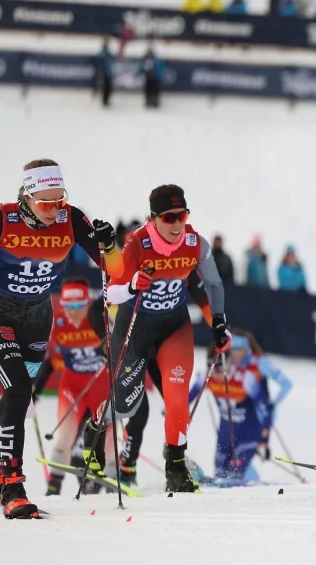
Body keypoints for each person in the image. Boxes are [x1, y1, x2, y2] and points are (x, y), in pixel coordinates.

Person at [0, 158, 118, 518]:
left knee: (20, 393)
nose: (54, 210)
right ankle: (12, 483)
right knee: (18, 390)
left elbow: (113, 270)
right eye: (46, 203)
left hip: (39, 317)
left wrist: (110, 245)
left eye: (60, 200)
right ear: (26, 197)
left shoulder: (71, 219)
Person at [81, 184, 228, 493]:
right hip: (135, 327)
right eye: (169, 218)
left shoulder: (194, 243)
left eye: (182, 216)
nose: (177, 224)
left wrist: (218, 321)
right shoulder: (137, 243)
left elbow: (212, 283)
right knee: (126, 405)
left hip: (174, 327)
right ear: (154, 218)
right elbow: (112, 293)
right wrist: (133, 285)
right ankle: (94, 428)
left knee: (177, 398)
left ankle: (175, 467)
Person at [116, 271, 216, 487]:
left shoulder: (182, 262)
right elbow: (105, 303)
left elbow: (202, 294)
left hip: (161, 349)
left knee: (177, 405)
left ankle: (174, 455)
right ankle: (127, 467)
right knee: (138, 410)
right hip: (134, 348)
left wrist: (216, 324)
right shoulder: (133, 259)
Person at [31, 277, 115, 496]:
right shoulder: (58, 323)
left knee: (110, 442)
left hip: (100, 387)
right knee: (64, 437)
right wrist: (36, 389)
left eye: (77, 306)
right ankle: (53, 488)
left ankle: (112, 484)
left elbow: (122, 352)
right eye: (68, 306)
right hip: (72, 387)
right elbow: (50, 360)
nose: (72, 312)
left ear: (87, 303)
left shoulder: (100, 321)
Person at [188, 329, 292, 483]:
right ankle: (248, 482)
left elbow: (284, 387)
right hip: (227, 429)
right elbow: (189, 396)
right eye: (231, 350)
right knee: (221, 473)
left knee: (233, 475)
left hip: (251, 425)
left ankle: (251, 485)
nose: (215, 374)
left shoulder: (252, 371)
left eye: (237, 350)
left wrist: (264, 439)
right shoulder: (209, 373)